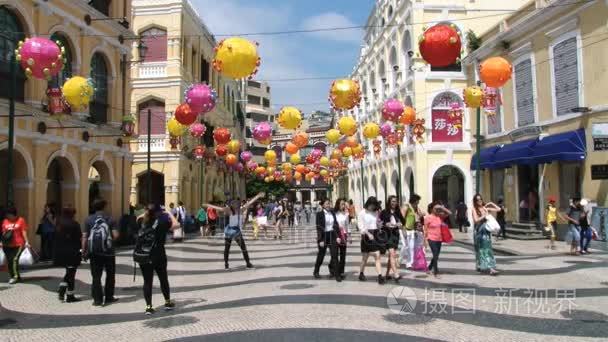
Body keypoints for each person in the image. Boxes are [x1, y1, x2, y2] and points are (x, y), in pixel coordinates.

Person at [135, 203, 177, 315]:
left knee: (147, 281)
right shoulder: (162, 222)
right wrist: (167, 212)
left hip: (144, 254)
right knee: (163, 278)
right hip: (159, 254)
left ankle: (148, 307)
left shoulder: (141, 222)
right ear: (159, 212)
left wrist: (147, 212)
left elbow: (138, 217)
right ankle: (167, 302)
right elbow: (176, 225)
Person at [204, 193, 264, 270]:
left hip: (236, 231)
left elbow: (249, 203)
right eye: (234, 203)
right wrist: (209, 205)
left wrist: (258, 196)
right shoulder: (229, 210)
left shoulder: (241, 209)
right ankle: (226, 264)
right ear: (231, 205)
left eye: (237, 203)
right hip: (229, 231)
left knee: (244, 248)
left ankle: (248, 264)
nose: (237, 204)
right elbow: (220, 209)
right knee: (227, 248)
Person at [82, 199, 119, 306]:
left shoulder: (88, 219)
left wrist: (84, 250)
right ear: (104, 206)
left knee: (96, 276)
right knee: (110, 275)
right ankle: (109, 297)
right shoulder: (110, 219)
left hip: (94, 252)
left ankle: (97, 300)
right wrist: (108, 240)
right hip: (109, 252)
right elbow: (116, 235)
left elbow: (84, 236)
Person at [53, 207, 82, 303]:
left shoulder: (59, 224)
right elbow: (79, 237)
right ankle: (68, 294)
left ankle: (66, 292)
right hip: (72, 252)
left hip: (61, 252)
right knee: (71, 273)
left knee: (69, 272)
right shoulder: (74, 224)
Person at [357, 196, 385, 285]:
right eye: (371, 205)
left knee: (377, 255)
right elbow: (360, 226)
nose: (372, 207)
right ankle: (361, 273)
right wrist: (368, 234)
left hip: (375, 235)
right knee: (365, 258)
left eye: (374, 205)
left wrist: (379, 226)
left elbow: (376, 223)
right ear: (368, 204)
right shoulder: (362, 213)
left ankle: (380, 276)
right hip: (366, 236)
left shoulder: (376, 213)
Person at [472, 194, 501, 276]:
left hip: (486, 232)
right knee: (479, 249)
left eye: (481, 199)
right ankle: (479, 265)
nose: (480, 201)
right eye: (477, 200)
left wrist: (491, 203)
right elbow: (476, 220)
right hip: (478, 232)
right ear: (475, 201)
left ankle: (491, 268)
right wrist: (484, 216)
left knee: (487, 249)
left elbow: (498, 209)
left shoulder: (485, 208)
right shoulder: (474, 209)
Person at [1, 206, 30, 284]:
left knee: (14, 259)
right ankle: (14, 276)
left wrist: (27, 242)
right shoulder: (5, 221)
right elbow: (3, 232)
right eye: (7, 215)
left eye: (8, 215)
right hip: (7, 245)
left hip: (18, 244)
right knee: (10, 261)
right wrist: (1, 242)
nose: (7, 216)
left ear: (13, 214)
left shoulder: (21, 220)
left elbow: (23, 231)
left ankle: (15, 277)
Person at [313, 198, 341, 281]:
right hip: (323, 235)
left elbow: (336, 225)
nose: (329, 205)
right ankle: (316, 271)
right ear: (323, 205)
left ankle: (337, 274)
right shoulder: (319, 214)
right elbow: (318, 227)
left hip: (332, 234)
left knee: (335, 255)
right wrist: (320, 239)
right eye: (327, 203)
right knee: (321, 255)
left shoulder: (332, 212)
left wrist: (338, 236)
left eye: (329, 203)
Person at [379, 195, 404, 283]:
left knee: (391, 255)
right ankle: (396, 274)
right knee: (392, 254)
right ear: (389, 202)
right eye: (392, 201)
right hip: (387, 235)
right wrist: (385, 224)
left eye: (395, 201)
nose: (394, 203)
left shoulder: (397, 211)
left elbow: (402, 221)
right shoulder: (384, 212)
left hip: (395, 235)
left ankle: (387, 274)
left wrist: (400, 224)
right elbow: (379, 222)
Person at [424, 202, 452, 278]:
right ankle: (436, 272)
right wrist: (425, 240)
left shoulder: (439, 216)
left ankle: (429, 268)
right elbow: (425, 230)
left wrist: (442, 208)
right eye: (435, 208)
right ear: (431, 209)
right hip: (431, 238)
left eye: (438, 209)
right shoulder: (427, 217)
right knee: (435, 255)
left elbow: (449, 213)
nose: (437, 210)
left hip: (439, 239)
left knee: (436, 255)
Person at [401, 194, 423, 269]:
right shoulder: (406, 207)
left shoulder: (416, 208)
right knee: (406, 246)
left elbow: (420, 215)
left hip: (413, 229)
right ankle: (400, 260)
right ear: (414, 201)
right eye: (417, 201)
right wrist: (403, 230)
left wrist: (419, 214)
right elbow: (402, 218)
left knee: (411, 247)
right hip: (405, 229)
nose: (418, 203)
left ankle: (409, 263)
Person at [334, 198, 349, 279]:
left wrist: (349, 236)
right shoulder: (334, 214)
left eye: (344, 204)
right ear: (338, 205)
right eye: (341, 204)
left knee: (343, 254)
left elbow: (347, 226)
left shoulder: (346, 214)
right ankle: (333, 268)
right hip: (336, 235)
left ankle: (341, 271)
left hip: (344, 235)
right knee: (335, 254)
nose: (343, 205)